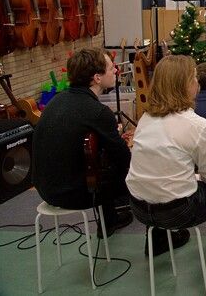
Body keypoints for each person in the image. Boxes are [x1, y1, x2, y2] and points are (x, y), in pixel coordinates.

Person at [126, 55, 206, 255]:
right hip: (177, 213)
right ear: (184, 85)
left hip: (138, 207)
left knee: (159, 184)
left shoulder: (145, 118)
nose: (197, 82)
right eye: (193, 78)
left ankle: (158, 239)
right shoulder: (198, 125)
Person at [32, 48, 132, 237]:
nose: (116, 71)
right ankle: (157, 225)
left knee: (100, 160)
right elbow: (124, 159)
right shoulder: (98, 112)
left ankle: (110, 221)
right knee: (129, 170)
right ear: (97, 78)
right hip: (71, 194)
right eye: (111, 68)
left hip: (44, 188)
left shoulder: (56, 100)